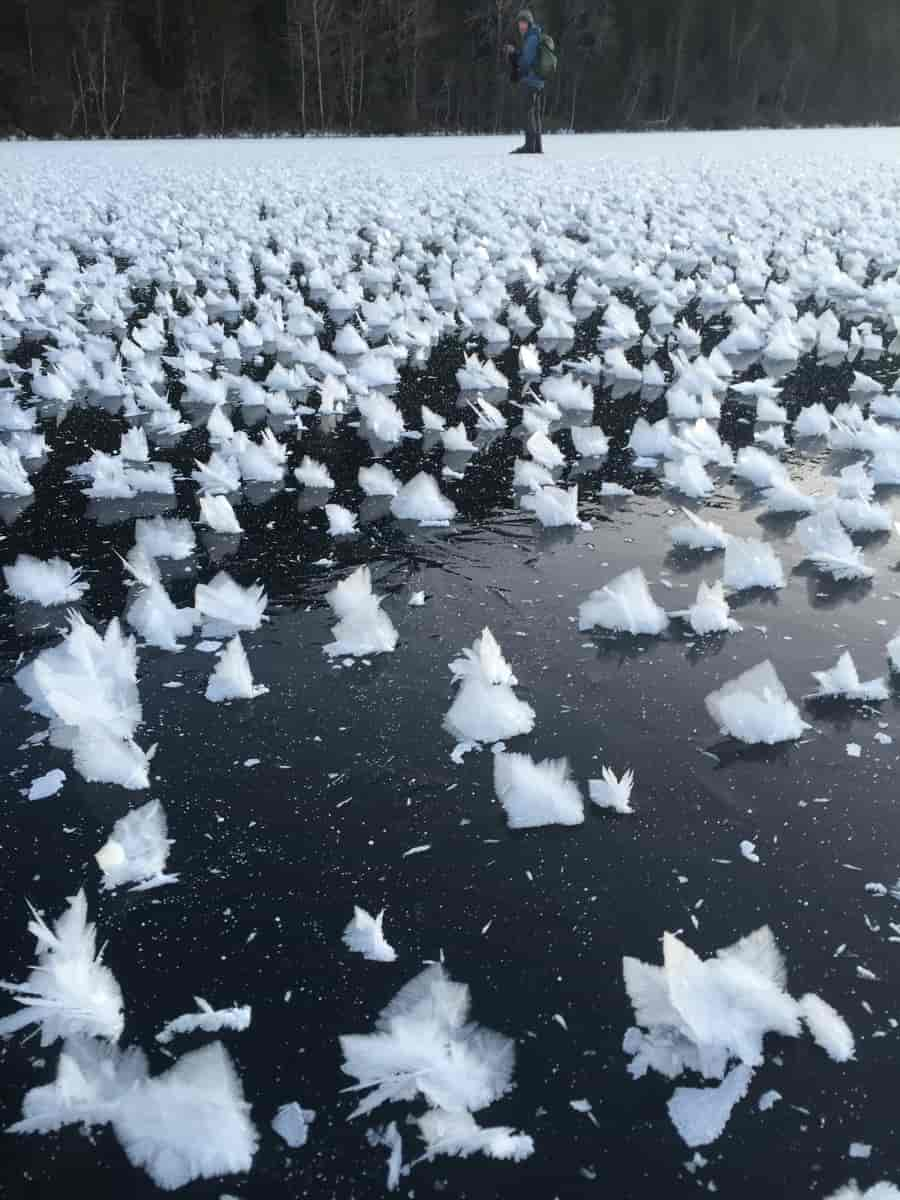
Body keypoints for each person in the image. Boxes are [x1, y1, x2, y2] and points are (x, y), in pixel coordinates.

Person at [505, 9, 544, 155]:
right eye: (520, 23)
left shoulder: (532, 37)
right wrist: (516, 52)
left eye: (524, 23)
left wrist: (514, 54)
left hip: (531, 81)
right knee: (535, 114)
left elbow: (526, 62)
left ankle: (530, 146)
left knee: (527, 113)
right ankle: (537, 146)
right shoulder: (533, 36)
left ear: (529, 23)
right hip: (538, 81)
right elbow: (529, 58)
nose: (521, 26)